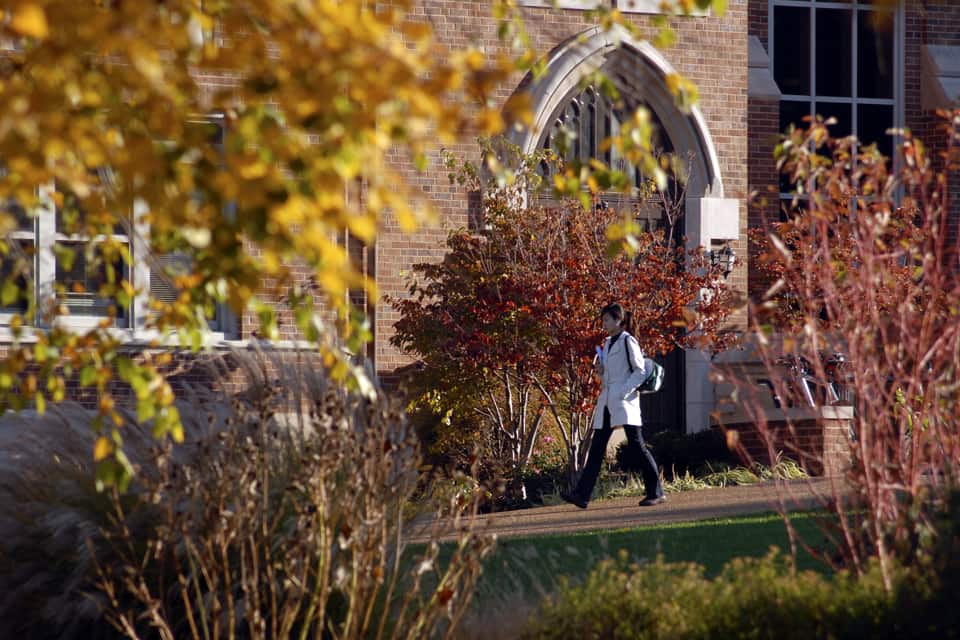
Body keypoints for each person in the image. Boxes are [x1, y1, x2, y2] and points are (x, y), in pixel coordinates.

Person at [561, 303, 666, 509]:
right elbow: (611, 377)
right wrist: (601, 372)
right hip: (608, 402)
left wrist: (622, 391)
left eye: (607, 320)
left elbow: (640, 371)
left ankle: (656, 492)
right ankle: (582, 495)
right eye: (603, 320)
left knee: (637, 446)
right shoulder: (608, 343)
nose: (604, 324)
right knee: (597, 449)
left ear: (619, 320)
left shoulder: (628, 341)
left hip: (624, 403)